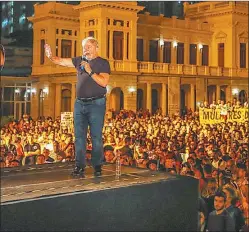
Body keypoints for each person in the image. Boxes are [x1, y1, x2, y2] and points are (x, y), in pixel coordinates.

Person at [44, 37, 111, 177]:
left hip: (96, 104)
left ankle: (97, 166)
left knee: (96, 137)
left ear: (96, 47)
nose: (86, 49)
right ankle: (79, 166)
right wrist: (50, 56)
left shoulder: (103, 63)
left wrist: (90, 71)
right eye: (84, 46)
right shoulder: (78, 60)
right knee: (79, 137)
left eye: (88, 46)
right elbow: (60, 60)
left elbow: (104, 82)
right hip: (80, 103)